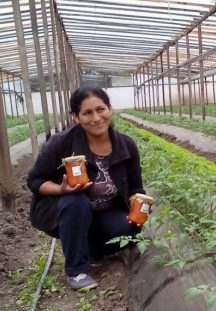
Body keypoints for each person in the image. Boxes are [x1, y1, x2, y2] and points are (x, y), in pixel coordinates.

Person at [27, 87, 145, 290]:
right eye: (87, 113)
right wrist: (61, 190)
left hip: (104, 211)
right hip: (66, 210)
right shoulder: (61, 144)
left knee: (130, 229)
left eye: (101, 109)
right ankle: (77, 270)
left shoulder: (125, 145)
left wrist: (139, 202)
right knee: (76, 201)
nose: (96, 118)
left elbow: (135, 186)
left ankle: (92, 250)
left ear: (110, 109)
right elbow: (35, 181)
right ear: (76, 117)